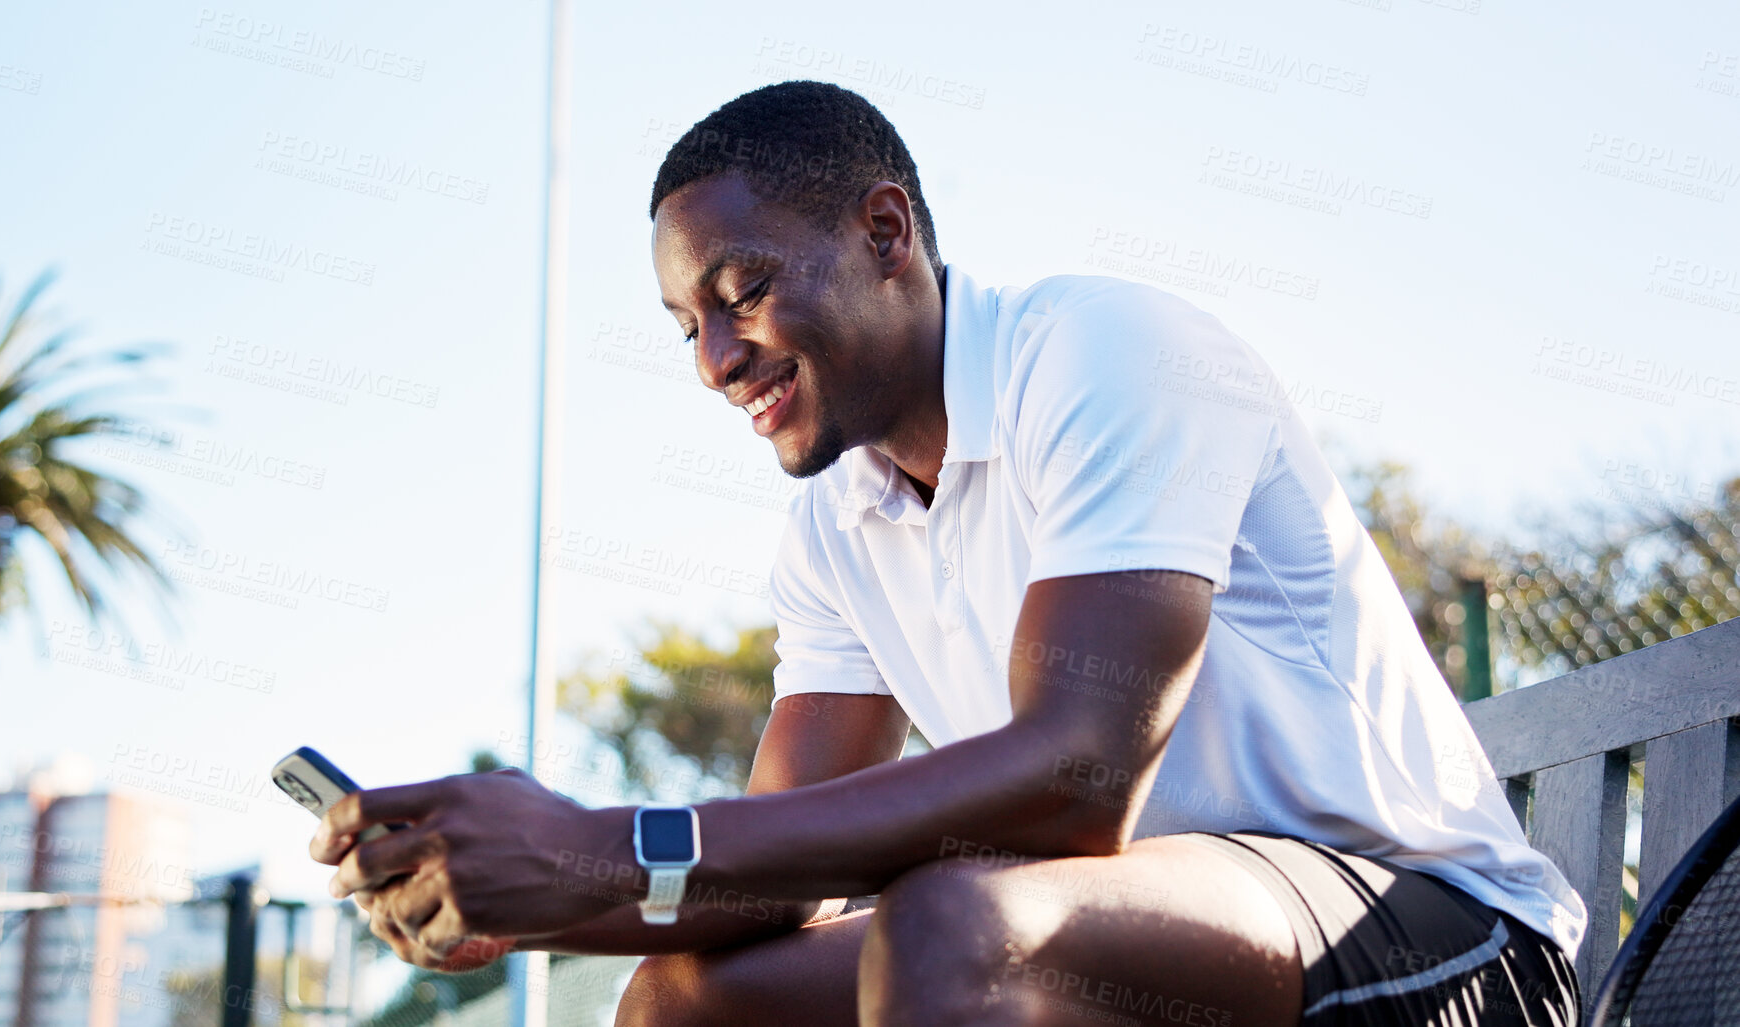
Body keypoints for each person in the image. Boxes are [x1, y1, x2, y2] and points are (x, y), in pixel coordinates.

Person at [309, 80, 1586, 1026]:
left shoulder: (1104, 353)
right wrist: (519, 896)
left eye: (742, 291)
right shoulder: (837, 521)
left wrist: (601, 841)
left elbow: (1077, 780)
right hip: (1150, 932)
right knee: (688, 997)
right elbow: (772, 871)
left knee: (950, 929)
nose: (713, 359)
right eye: (685, 324)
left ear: (885, 232)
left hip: (1430, 932)